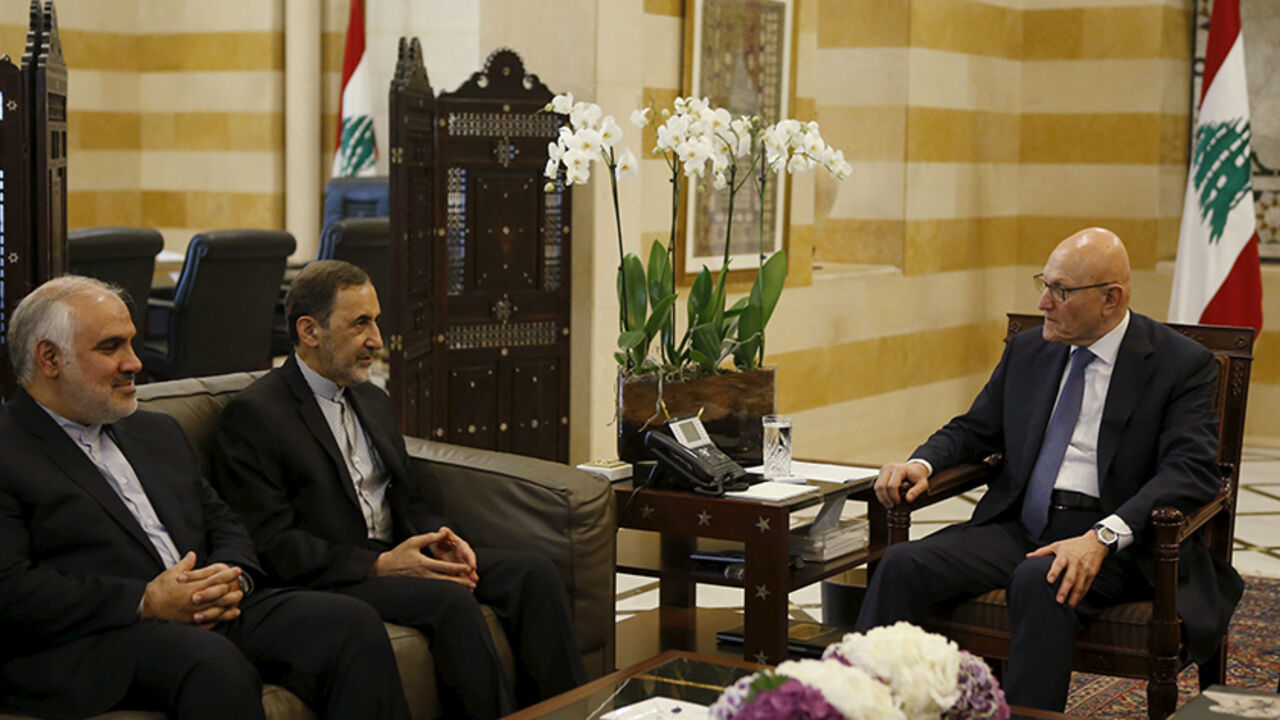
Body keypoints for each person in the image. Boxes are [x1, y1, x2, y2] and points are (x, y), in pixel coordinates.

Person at [856, 228, 1243, 711]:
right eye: (1045, 284)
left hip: (1123, 541)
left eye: (1060, 291)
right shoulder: (1028, 350)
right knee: (900, 566)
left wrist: (1102, 537)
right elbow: (976, 428)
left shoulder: (1180, 364)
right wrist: (921, 461)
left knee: (1041, 581)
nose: (1043, 302)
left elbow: (1189, 471)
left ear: (1111, 298)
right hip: (1024, 523)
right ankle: (864, 707)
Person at [0, 276, 411, 720]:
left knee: (350, 624)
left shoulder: (154, 431)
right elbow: (11, 588)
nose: (135, 363)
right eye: (110, 347)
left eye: (132, 344)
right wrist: (147, 600)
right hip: (99, 634)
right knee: (211, 664)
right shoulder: (10, 448)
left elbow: (223, 519)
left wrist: (231, 578)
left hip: (209, 606)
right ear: (49, 358)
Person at [211, 260, 586, 719]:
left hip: (401, 551)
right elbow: (271, 543)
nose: (376, 340)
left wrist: (440, 540)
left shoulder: (372, 398)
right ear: (310, 331)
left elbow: (410, 496)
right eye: (360, 324)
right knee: (449, 602)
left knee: (533, 573)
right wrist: (380, 564)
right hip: (339, 574)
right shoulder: (256, 415)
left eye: (376, 321)